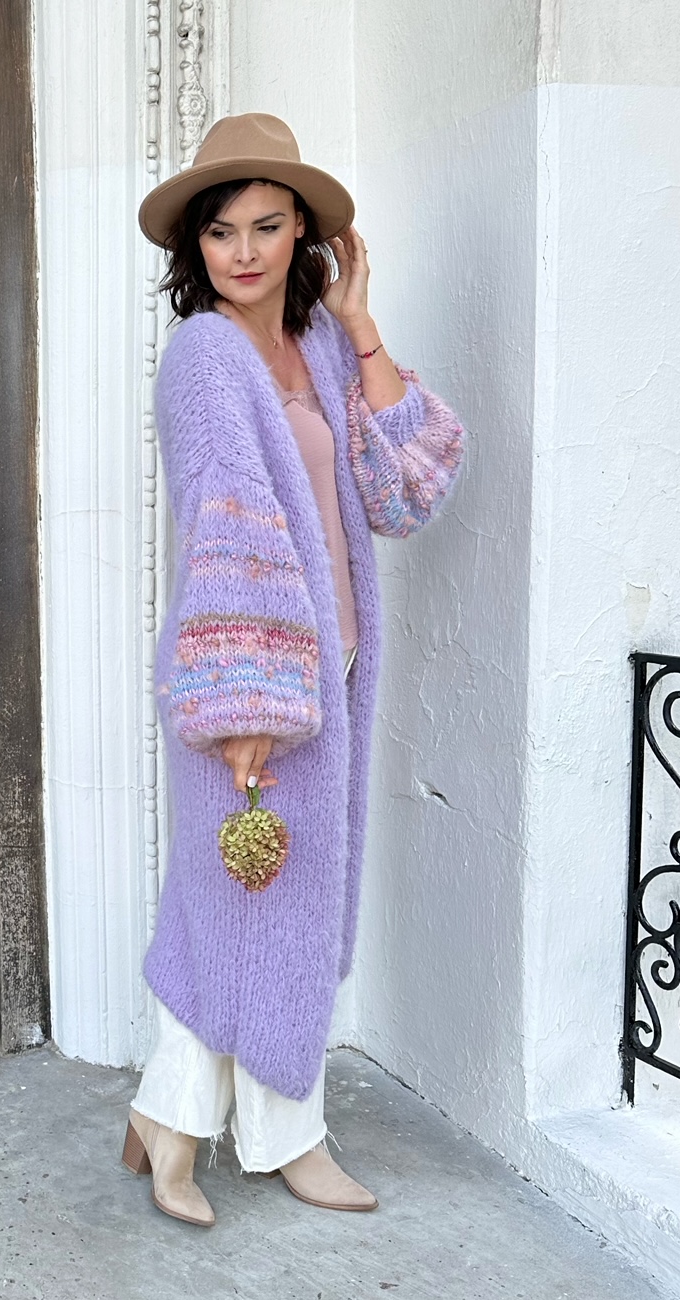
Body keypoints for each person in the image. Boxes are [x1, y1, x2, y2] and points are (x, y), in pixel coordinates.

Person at [124, 113, 465, 1227]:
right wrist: (247, 704)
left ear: (305, 233)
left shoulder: (318, 348)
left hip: (334, 666)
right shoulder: (202, 355)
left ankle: (182, 1121)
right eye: (220, 231)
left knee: (276, 904)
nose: (243, 251)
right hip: (249, 673)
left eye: (267, 226)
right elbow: (224, 524)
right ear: (196, 246)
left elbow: (407, 488)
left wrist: (361, 327)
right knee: (247, 903)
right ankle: (240, 1137)